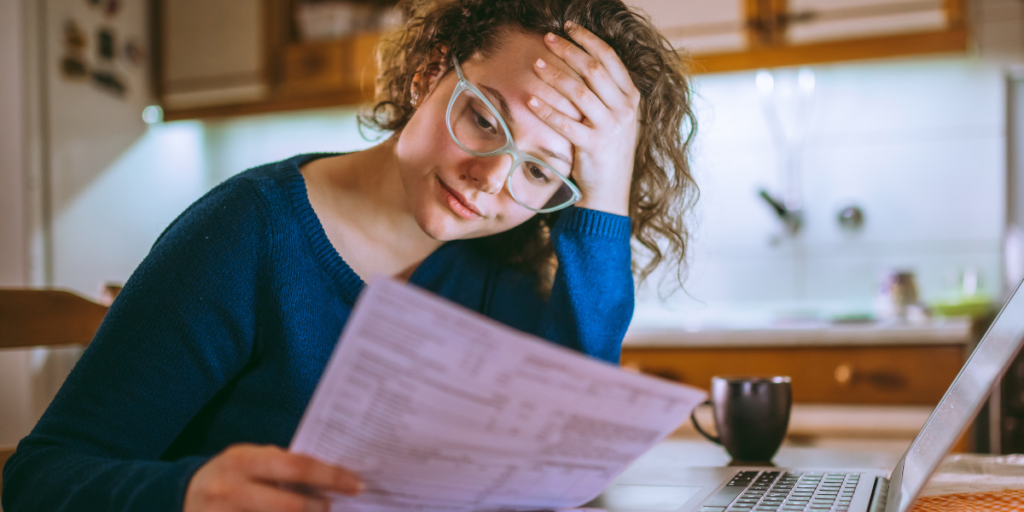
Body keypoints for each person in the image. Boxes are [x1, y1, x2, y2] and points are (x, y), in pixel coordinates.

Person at [1, 0, 697, 510]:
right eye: (484, 117)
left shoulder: (502, 265)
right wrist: (187, 491)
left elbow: (562, 463)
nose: (491, 180)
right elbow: (38, 477)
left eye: (541, 173)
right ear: (429, 75)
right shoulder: (245, 233)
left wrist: (604, 197)